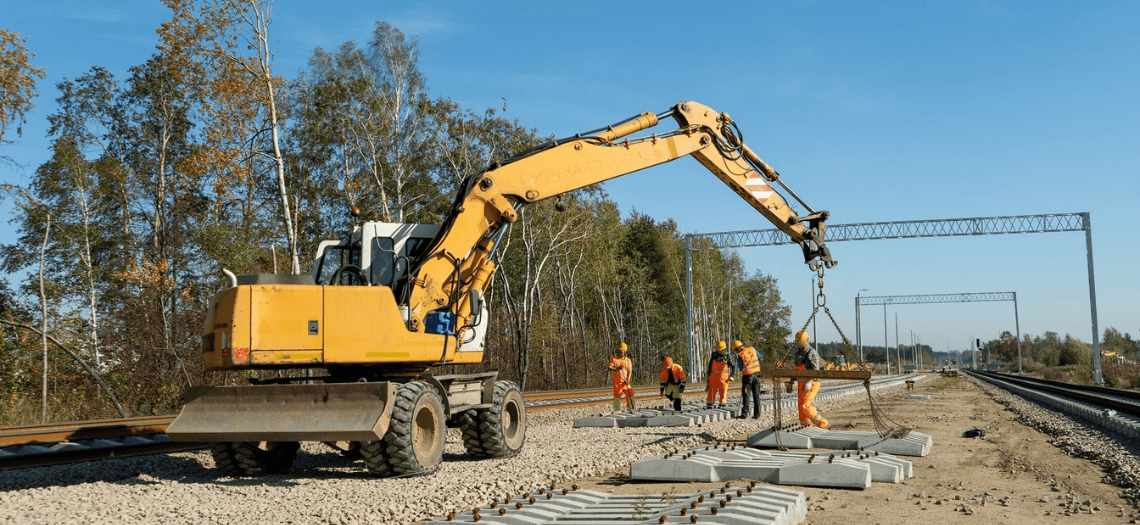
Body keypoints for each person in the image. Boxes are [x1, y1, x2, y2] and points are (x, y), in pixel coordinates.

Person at [793, 331, 829, 429]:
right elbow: (796, 371)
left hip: (811, 383)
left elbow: (815, 370)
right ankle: (806, 427)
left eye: (800, 342)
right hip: (801, 384)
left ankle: (823, 423)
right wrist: (791, 382)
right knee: (801, 407)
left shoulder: (811, 352)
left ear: (806, 341)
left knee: (805, 406)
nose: (798, 344)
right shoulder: (798, 354)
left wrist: (809, 382)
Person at [733, 340, 763, 419]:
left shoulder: (740, 355)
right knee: (756, 396)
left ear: (737, 349)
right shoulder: (752, 349)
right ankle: (757, 415)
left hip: (747, 377)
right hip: (757, 375)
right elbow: (761, 358)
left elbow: (740, 367)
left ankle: (745, 414)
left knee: (746, 395)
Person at [705, 341, 737, 409]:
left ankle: (722, 405)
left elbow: (734, 366)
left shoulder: (728, 355)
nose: (718, 351)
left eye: (720, 350)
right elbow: (710, 365)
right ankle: (709, 404)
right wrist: (708, 376)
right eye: (718, 350)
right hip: (713, 376)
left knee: (723, 391)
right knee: (712, 391)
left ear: (724, 349)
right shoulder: (714, 354)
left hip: (724, 377)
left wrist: (732, 375)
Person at [608, 342, 635, 413]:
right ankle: (616, 409)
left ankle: (631, 408)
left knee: (630, 394)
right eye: (621, 351)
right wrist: (616, 368)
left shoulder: (628, 360)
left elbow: (630, 371)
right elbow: (609, 368)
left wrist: (628, 379)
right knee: (617, 396)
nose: (622, 352)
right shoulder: (614, 359)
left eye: (623, 351)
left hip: (625, 382)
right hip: (618, 383)